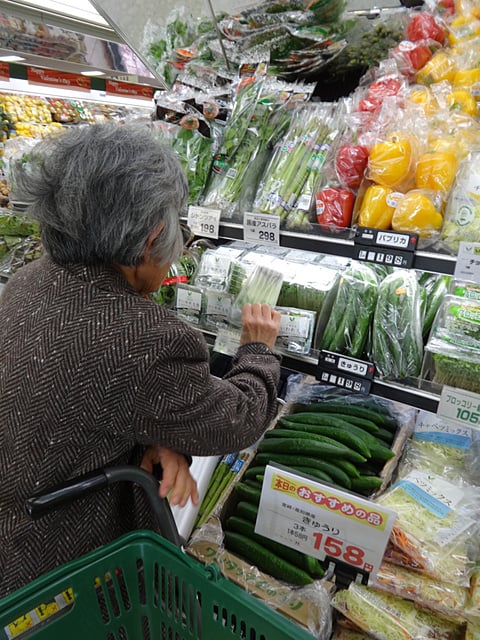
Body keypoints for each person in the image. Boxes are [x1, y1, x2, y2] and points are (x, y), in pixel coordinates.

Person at [0, 123, 281, 597]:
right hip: (65, 572)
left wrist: (154, 437)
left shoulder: (31, 280)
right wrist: (257, 348)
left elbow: (82, 399)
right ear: (152, 238)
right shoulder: (143, 338)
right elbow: (237, 420)